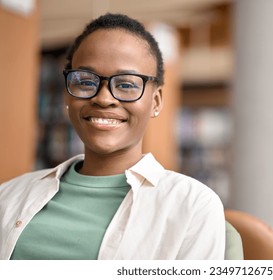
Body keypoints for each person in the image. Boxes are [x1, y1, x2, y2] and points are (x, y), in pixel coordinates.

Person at [0, 13, 226, 260]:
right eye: (85, 81)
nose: (104, 98)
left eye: (126, 85)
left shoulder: (192, 206)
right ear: (67, 95)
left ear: (156, 102)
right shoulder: (8, 196)